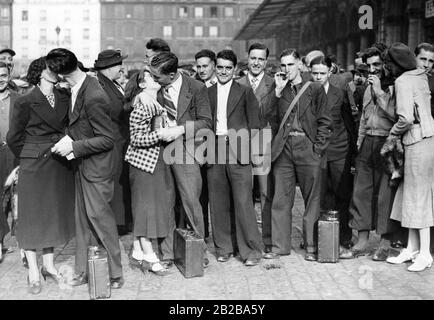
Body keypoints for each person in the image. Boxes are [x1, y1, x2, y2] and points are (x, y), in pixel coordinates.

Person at [46, 48, 124, 289]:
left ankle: (115, 273)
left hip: (97, 167)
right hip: (83, 165)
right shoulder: (79, 86)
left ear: (60, 75)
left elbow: (107, 139)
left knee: (100, 219)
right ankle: (84, 270)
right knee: (82, 221)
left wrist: (74, 145)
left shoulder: (93, 94)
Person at [7, 57, 75, 294]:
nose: (56, 71)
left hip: (58, 162)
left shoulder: (64, 97)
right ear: (40, 71)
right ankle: (33, 271)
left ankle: (49, 265)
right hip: (34, 163)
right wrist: (30, 155)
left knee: (51, 215)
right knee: (32, 216)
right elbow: (14, 137)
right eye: (50, 67)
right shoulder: (25, 101)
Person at [264, 48, 332, 261]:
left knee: (312, 199)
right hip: (284, 148)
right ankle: (279, 246)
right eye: (282, 65)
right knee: (281, 198)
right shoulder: (279, 89)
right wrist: (276, 91)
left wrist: (318, 149)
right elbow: (262, 114)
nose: (286, 69)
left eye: (290, 65)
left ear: (301, 65)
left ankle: (311, 246)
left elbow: (325, 121)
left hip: (307, 146)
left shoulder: (314, 88)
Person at [148, 51, 212, 268]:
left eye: (158, 77)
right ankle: (167, 253)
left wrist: (180, 130)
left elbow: (206, 123)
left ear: (172, 74)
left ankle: (197, 250)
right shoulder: (153, 90)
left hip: (186, 150)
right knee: (165, 203)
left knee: (191, 203)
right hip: (160, 151)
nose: (154, 80)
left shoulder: (196, 88)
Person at [341, 46, 402, 260]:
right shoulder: (366, 88)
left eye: (377, 65)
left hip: (388, 143)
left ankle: (385, 243)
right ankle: (361, 241)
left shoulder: (396, 86)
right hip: (368, 143)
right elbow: (364, 120)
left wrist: (379, 91)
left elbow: (398, 116)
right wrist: (359, 144)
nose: (373, 70)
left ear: (386, 64)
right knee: (361, 192)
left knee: (385, 195)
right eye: (369, 66)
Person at [206, 49, 264, 266]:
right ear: (214, 67)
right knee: (218, 201)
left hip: (238, 149)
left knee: (243, 202)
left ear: (235, 69)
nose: (223, 71)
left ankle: (250, 251)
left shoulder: (244, 91)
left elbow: (255, 124)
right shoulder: (207, 92)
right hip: (215, 149)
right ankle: (223, 247)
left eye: (228, 68)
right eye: (219, 67)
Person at [384, 42, 434, 272]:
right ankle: (412, 248)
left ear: (395, 65)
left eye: (388, 64)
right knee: (412, 195)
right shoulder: (421, 76)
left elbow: (405, 119)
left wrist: (391, 136)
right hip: (426, 141)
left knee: (419, 197)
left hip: (415, 142)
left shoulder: (402, 81)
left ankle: (425, 254)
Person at [125, 69, 175, 276]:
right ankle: (150, 256)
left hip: (154, 164)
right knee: (146, 212)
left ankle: (137, 251)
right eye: (150, 77)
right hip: (143, 166)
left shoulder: (154, 103)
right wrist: (161, 134)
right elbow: (136, 138)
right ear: (143, 85)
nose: (156, 78)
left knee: (149, 209)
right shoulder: (142, 104)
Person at [310, 56, 357, 250]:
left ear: (330, 72)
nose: (319, 77)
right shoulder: (306, 93)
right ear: (309, 73)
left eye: (322, 73)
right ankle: (317, 237)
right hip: (316, 151)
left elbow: (349, 122)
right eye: (315, 73)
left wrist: (353, 150)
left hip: (339, 149)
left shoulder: (340, 93)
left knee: (341, 192)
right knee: (318, 196)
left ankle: (344, 235)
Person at [236, 42, 276, 253]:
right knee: (243, 195)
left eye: (261, 59)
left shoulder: (274, 84)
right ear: (247, 58)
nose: (257, 63)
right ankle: (247, 240)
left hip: (264, 144)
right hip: (241, 144)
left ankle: (268, 240)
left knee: (265, 192)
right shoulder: (237, 83)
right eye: (253, 58)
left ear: (266, 62)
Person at [95, 49, 131, 234]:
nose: (121, 68)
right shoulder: (100, 86)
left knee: (119, 182)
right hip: (112, 142)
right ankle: (114, 225)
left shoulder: (111, 83)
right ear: (108, 67)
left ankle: (120, 223)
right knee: (114, 184)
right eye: (119, 64)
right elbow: (114, 111)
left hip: (119, 140)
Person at [195, 49, 217, 239]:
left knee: (217, 193)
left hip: (219, 145)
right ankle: (202, 233)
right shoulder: (193, 86)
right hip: (198, 145)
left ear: (214, 66)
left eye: (205, 66)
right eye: (199, 66)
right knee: (199, 192)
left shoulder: (221, 86)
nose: (202, 70)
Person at [0, 62, 20, 264]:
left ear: (9, 75)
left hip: (14, 155)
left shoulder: (19, 100)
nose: (0, 79)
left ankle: (25, 249)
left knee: (17, 199)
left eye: (3, 75)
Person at [414, 43, 434, 117]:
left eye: (431, 61)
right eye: (423, 59)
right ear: (414, 57)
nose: (426, 64)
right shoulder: (403, 78)